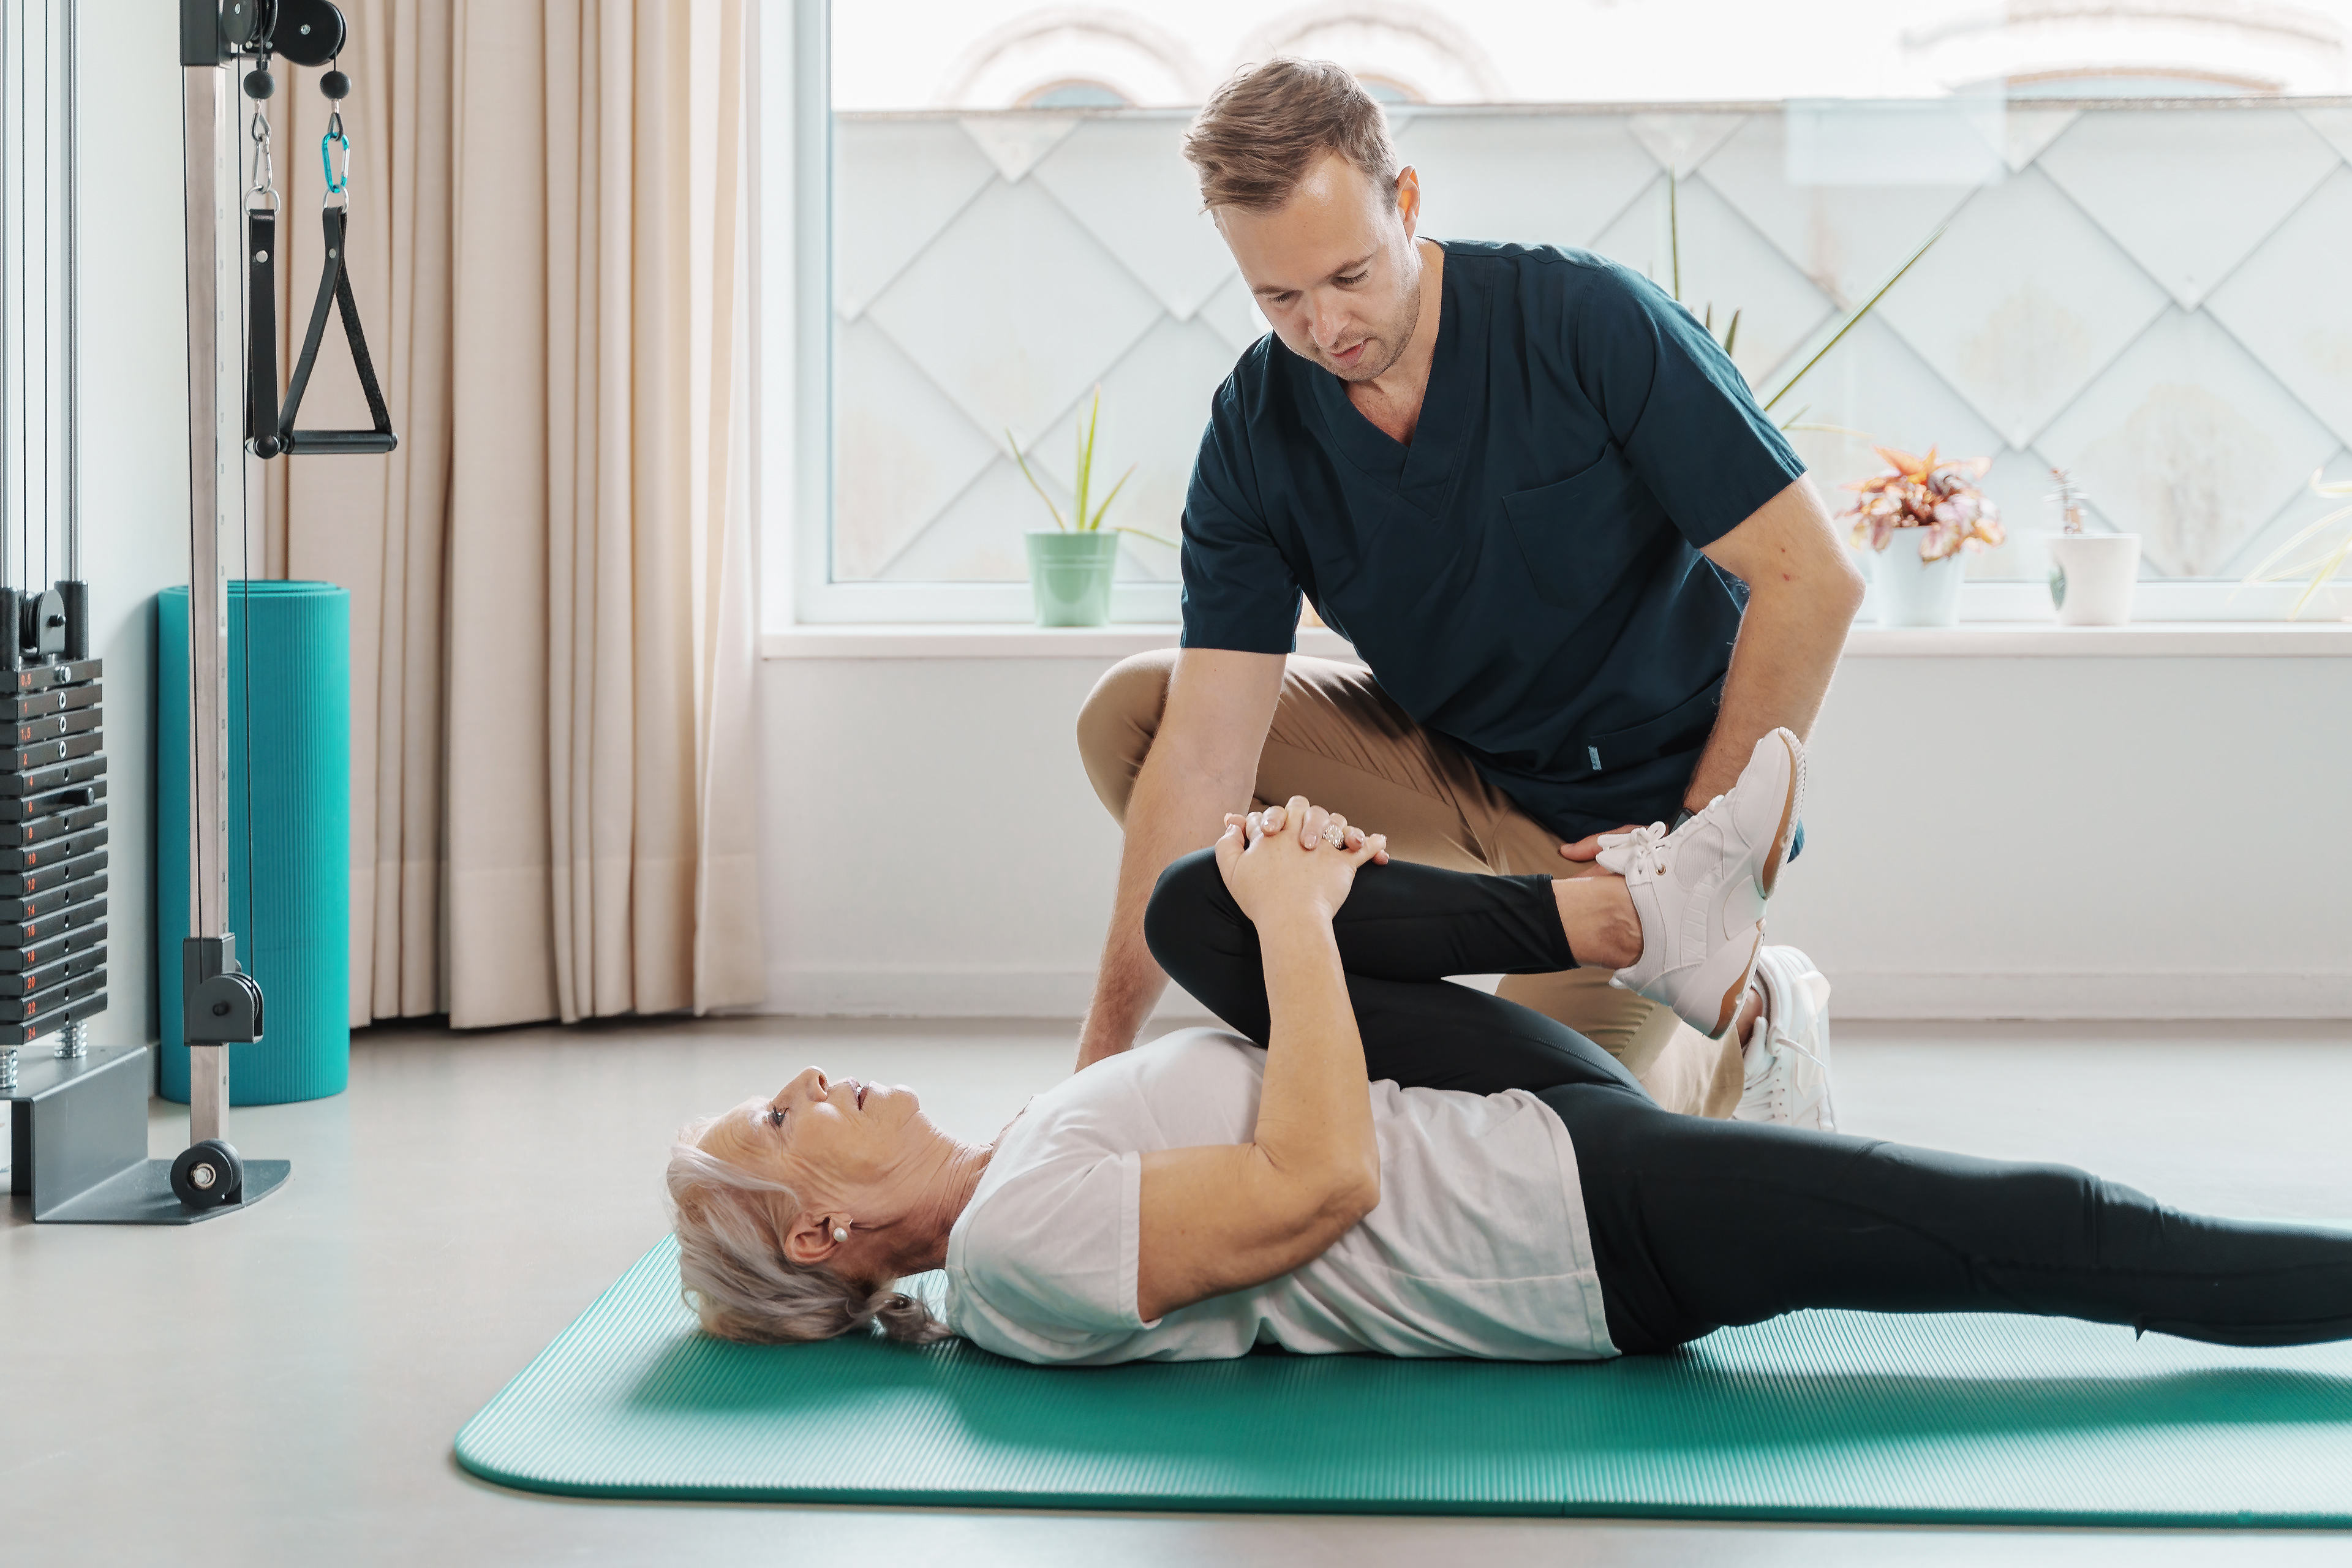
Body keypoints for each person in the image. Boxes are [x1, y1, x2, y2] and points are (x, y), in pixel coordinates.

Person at [667, 739, 2352, 1364]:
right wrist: (1302, 916)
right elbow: (1320, 1179)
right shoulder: (1019, 1254)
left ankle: (1649, 920)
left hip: (1518, 1110)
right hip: (1581, 1229)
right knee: (2038, 1227)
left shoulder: (1031, 1148)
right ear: (822, 1234)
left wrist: (1273, 902)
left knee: (1196, 908)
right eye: (780, 1119)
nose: (810, 1083)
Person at [1072, 58, 1865, 1131]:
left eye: (1350, 275)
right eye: (1280, 298)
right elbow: (1207, 754)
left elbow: (1812, 578)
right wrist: (1092, 1072)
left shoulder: (1585, 320)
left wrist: (1698, 865)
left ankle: (1749, 1017)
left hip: (1651, 826)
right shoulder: (1257, 431)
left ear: (1405, 202)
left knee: (1542, 1144)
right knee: (1137, 718)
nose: (1326, 327)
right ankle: (1392, 1017)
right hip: (1461, 778)